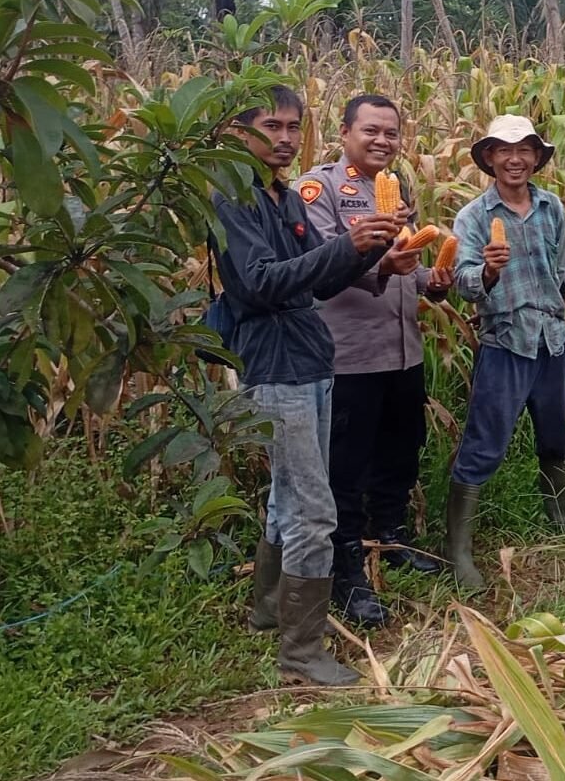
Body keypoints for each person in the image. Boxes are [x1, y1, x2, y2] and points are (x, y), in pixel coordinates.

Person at [212, 85, 403, 685]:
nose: (286, 138)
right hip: (276, 365)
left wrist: (367, 251)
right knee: (314, 510)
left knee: (286, 498)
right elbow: (260, 283)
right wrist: (347, 244)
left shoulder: (286, 197)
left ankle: (269, 611)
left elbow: (318, 282)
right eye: (272, 126)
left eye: (294, 127)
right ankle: (302, 651)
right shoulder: (232, 200)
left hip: (312, 360)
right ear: (239, 132)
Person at [293, 94, 452, 629]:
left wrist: (433, 281)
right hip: (350, 355)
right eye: (371, 131)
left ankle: (392, 537)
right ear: (344, 133)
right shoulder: (317, 190)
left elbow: (407, 264)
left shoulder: (397, 189)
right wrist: (383, 266)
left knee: (399, 452)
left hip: (401, 350)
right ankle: (347, 570)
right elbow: (321, 264)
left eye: (392, 133)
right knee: (347, 466)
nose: (383, 141)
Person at [443, 115, 565, 589]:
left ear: (537, 157)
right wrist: (487, 272)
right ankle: (458, 551)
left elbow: (562, 272)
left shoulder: (551, 206)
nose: (515, 159)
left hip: (550, 339)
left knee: (555, 435)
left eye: (524, 149)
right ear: (489, 158)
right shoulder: (475, 217)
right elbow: (463, 283)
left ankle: (561, 514)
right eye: (504, 150)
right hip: (505, 341)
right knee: (485, 444)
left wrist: (555, 313)